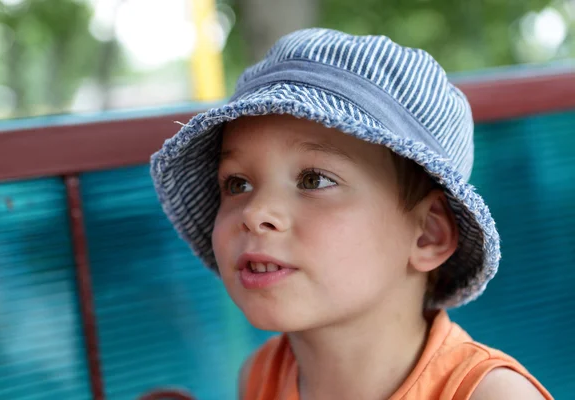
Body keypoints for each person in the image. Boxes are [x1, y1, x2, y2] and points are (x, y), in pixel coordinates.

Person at [151, 28, 553, 400]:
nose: (255, 212)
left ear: (427, 234)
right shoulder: (261, 376)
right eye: (237, 184)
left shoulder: (491, 395)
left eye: (313, 180)